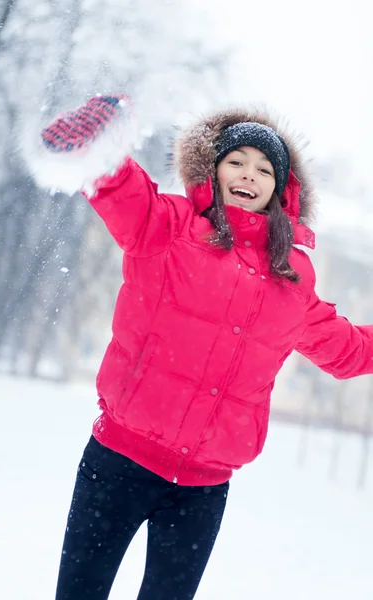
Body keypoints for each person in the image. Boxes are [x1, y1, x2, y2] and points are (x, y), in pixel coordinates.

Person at [40, 95, 373, 600]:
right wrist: (102, 153)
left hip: (201, 490)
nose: (249, 174)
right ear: (212, 172)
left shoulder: (292, 280)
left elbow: (348, 351)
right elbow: (124, 193)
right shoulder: (168, 227)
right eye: (235, 161)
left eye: (264, 169)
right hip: (117, 460)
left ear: (281, 190)